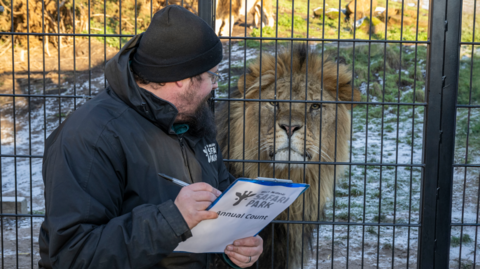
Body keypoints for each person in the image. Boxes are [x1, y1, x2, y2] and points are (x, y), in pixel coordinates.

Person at [39, 5, 263, 269]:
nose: (215, 85)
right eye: (211, 75)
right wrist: (171, 220)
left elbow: (221, 195)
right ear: (182, 78)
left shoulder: (193, 118)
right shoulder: (91, 136)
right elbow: (72, 255)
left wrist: (236, 249)